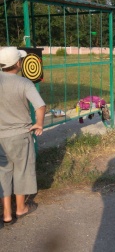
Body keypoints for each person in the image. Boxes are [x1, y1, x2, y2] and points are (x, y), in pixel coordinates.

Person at [0, 47, 46, 226]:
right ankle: (20, 208)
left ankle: (6, 214)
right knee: (22, 170)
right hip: (20, 135)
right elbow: (40, 106)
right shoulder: (24, 83)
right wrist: (39, 123)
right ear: (18, 63)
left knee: (3, 173)